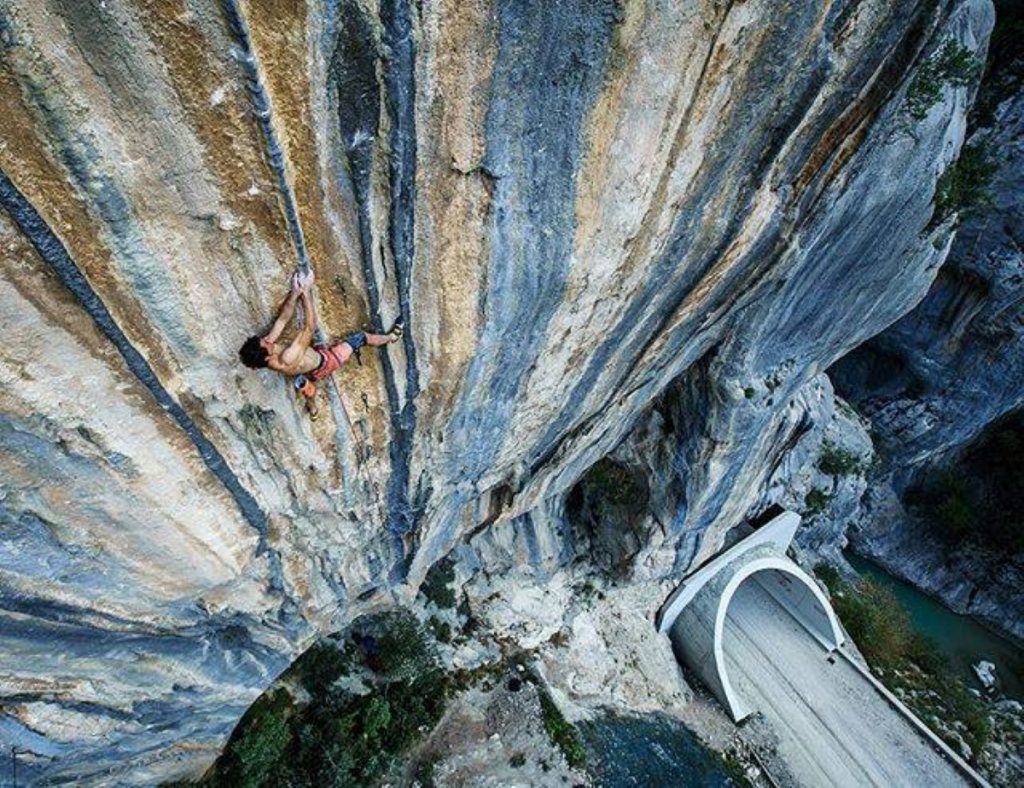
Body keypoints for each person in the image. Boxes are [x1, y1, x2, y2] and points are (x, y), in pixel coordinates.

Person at [238, 273, 401, 418]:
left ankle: (313, 409)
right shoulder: (285, 358)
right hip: (326, 361)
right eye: (265, 343)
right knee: (360, 338)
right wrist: (306, 292)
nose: (267, 339)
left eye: (264, 339)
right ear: (266, 356)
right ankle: (392, 337)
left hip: (307, 362)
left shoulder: (266, 351)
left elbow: (282, 319)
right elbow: (309, 327)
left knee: (305, 384)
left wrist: (295, 293)